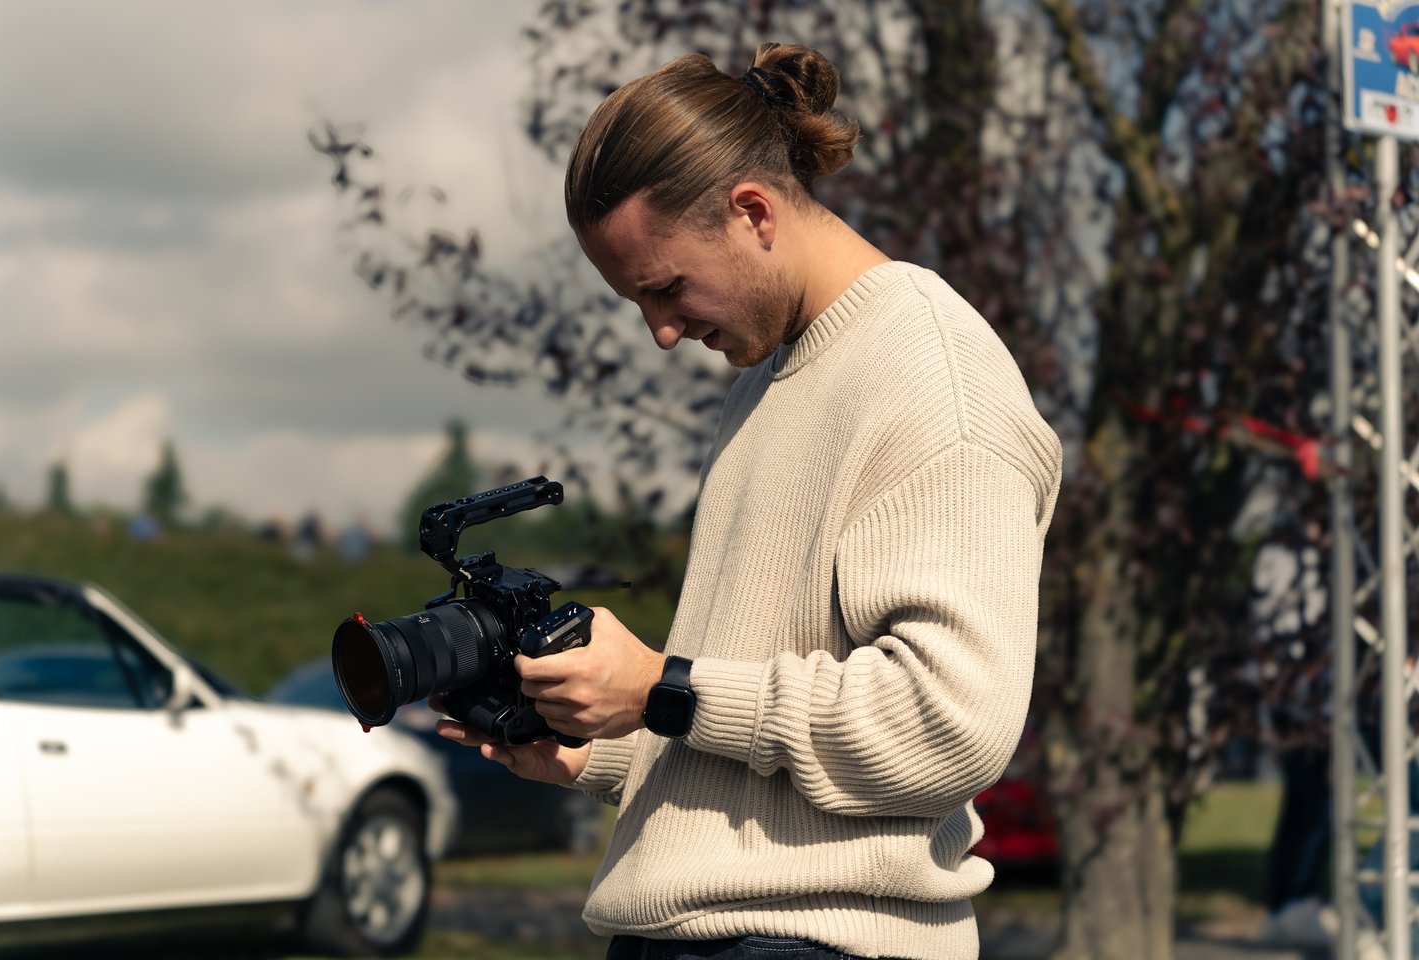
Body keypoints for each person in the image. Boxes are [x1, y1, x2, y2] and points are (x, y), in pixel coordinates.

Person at [433, 42, 1062, 960]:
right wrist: (601, 744)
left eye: (666, 287)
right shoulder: (769, 381)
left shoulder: (936, 379)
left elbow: (950, 722)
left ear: (753, 212)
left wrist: (662, 687)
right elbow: (750, 718)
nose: (661, 331)